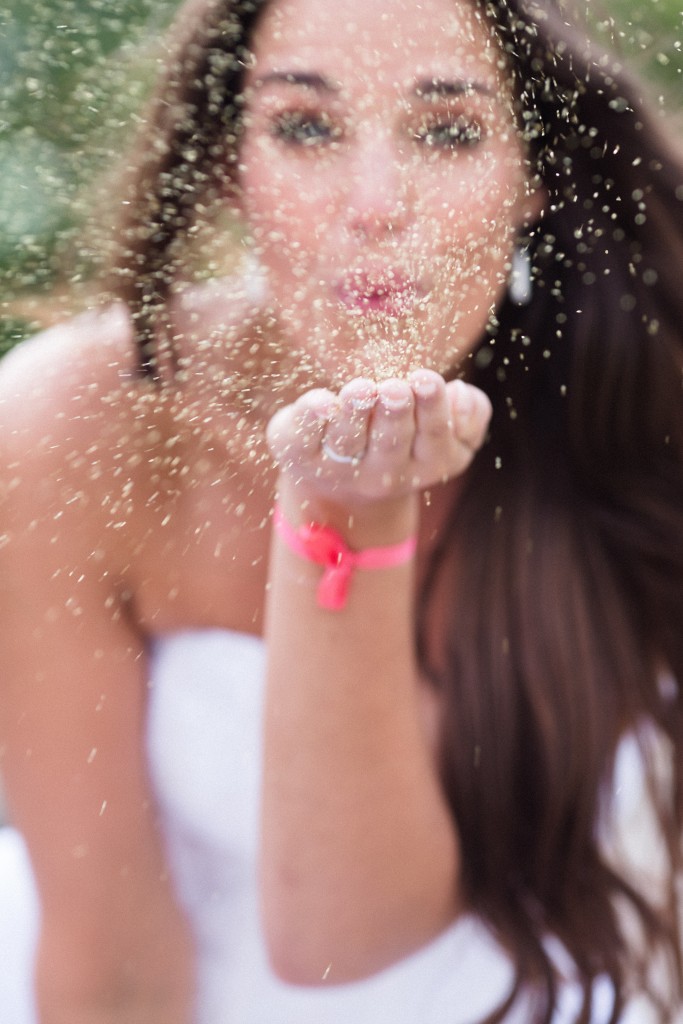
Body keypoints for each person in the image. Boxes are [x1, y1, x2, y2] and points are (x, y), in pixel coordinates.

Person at [0, 0, 681, 1021]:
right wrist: (340, 511)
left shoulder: (638, 408)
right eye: (306, 127)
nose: (374, 205)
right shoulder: (76, 428)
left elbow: (367, 930)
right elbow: (117, 968)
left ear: (530, 173)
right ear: (229, 163)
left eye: (447, 130)